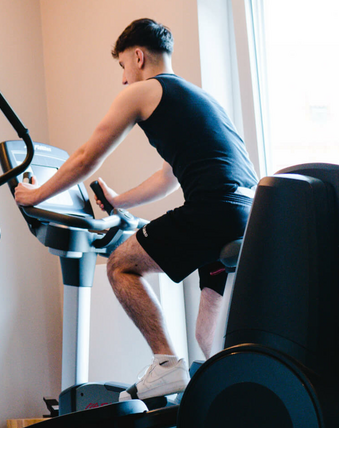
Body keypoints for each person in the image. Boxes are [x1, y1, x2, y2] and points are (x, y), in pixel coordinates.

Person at [15, 18, 258, 401]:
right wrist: (119, 200)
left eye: (123, 67)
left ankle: (166, 364)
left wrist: (36, 195)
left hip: (213, 209)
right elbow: (168, 179)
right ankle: (237, 401)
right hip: (247, 213)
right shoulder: (200, 99)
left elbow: (84, 158)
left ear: (139, 57)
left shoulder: (143, 91)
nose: (124, 80)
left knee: (120, 264)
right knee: (206, 336)